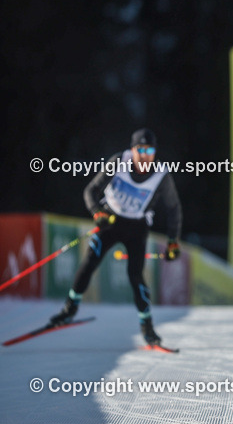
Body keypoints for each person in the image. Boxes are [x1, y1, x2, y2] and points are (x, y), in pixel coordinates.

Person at [49, 128, 182, 347]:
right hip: (110, 219)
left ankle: (147, 327)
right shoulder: (118, 161)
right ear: (133, 150)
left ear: (155, 153)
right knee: (91, 261)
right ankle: (69, 309)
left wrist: (173, 240)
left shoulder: (161, 174)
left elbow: (173, 208)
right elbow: (91, 190)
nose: (144, 156)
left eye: (149, 150)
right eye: (140, 150)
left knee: (135, 275)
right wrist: (97, 212)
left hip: (137, 226)